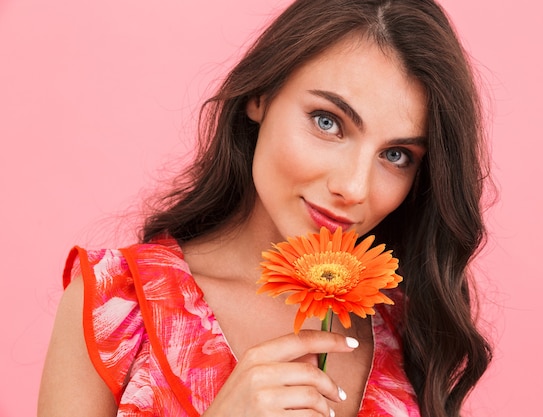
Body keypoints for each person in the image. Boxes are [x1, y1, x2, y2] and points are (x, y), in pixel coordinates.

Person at [38, 0, 493, 416]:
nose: (354, 187)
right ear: (260, 96)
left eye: (396, 156)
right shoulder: (117, 305)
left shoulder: (409, 327)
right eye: (327, 122)